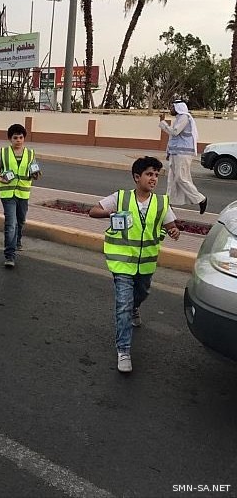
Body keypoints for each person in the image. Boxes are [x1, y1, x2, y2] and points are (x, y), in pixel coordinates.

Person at [89, 156, 180, 373]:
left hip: (146, 264)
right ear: (137, 177)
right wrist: (111, 213)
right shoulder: (120, 197)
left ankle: (136, 307)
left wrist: (174, 231)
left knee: (141, 294)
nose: (154, 179)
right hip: (121, 263)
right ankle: (123, 350)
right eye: (149, 174)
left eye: (157, 175)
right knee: (123, 305)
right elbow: (93, 211)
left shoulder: (161, 203)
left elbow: (171, 225)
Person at [0, 123, 40, 268]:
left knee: (21, 220)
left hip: (23, 193)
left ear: (24, 138)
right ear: (10, 139)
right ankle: (10, 255)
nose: (18, 140)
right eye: (15, 137)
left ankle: (17, 241)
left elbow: (34, 172)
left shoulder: (30, 154)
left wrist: (36, 175)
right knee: (11, 223)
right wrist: (1, 179)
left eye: (20, 137)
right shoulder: (3, 152)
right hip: (7, 193)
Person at [159, 100, 207, 214]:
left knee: (181, 178)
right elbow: (174, 139)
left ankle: (201, 199)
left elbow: (175, 132)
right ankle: (168, 205)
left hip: (183, 154)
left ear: (178, 108)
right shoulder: (179, 119)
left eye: (172, 107)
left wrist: (163, 123)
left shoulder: (184, 117)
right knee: (171, 180)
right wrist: (169, 152)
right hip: (176, 153)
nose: (170, 109)